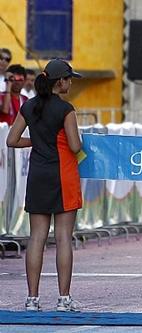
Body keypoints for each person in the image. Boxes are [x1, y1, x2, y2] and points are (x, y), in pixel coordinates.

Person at [6, 59, 83, 312]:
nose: (71, 83)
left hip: (38, 175)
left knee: (36, 237)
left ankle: (32, 299)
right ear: (59, 81)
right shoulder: (66, 109)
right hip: (63, 175)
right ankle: (63, 299)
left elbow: (12, 140)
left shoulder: (29, 106)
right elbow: (74, 146)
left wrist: (37, 142)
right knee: (62, 238)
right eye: (69, 79)